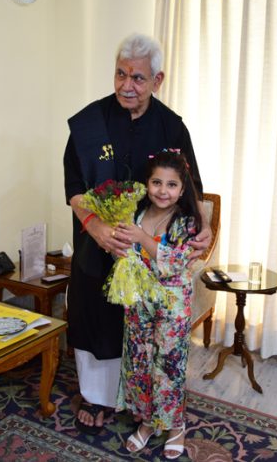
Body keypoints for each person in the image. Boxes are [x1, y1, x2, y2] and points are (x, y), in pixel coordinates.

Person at [63, 33, 212, 434]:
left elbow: (193, 184)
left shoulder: (171, 126)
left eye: (139, 78)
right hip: (98, 241)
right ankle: (96, 397)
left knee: (142, 325)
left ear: (158, 80)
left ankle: (139, 400)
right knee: (95, 311)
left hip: (150, 250)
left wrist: (207, 226)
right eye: (121, 74)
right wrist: (96, 228)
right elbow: (75, 188)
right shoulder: (89, 122)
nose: (127, 85)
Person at [114, 149, 201, 459]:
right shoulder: (136, 214)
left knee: (167, 367)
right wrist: (122, 247)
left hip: (172, 306)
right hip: (139, 300)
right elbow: (124, 254)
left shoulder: (185, 221)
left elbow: (173, 264)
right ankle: (150, 423)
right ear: (146, 183)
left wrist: (141, 237)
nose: (163, 191)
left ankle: (175, 424)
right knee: (140, 362)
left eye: (172, 184)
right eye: (156, 182)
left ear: (182, 188)